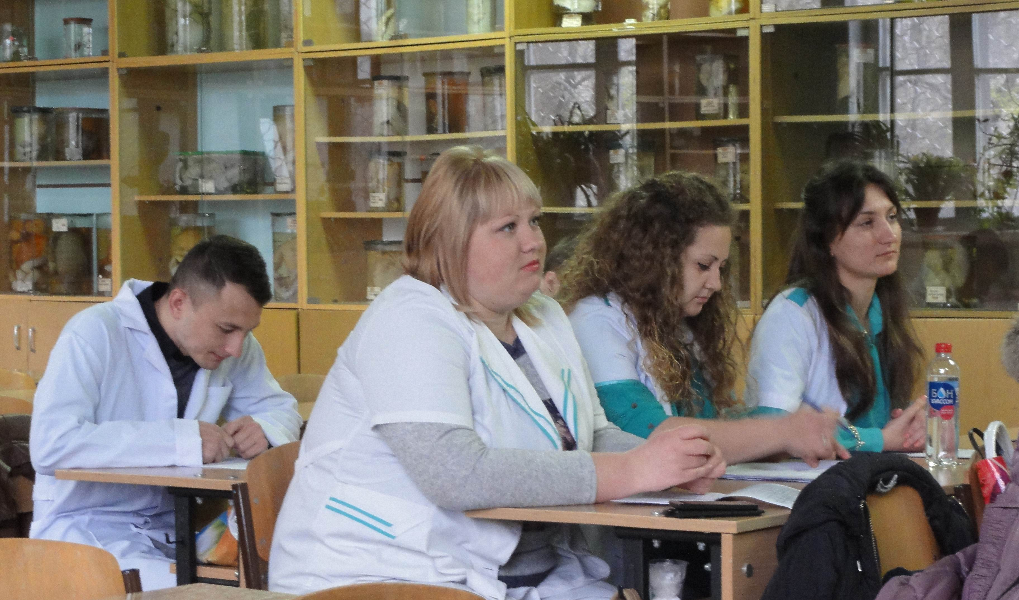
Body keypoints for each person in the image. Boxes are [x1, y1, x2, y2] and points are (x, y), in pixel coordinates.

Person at [268, 146, 726, 599]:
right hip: (382, 577)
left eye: (535, 221)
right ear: (450, 240)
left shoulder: (544, 314)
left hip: (518, 578)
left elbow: (591, 435)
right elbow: (457, 475)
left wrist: (667, 464)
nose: (533, 241)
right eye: (508, 227)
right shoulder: (409, 318)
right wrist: (632, 471)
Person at [29, 235, 302, 590]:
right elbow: (51, 444)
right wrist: (180, 440)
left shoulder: (233, 346)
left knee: (291, 581)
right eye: (226, 329)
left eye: (247, 332)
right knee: (206, 595)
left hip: (180, 529)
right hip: (89, 527)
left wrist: (264, 429)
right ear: (178, 303)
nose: (236, 347)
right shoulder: (94, 332)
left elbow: (281, 409)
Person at [561, 172, 848, 466]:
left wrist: (799, 432)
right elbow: (647, 433)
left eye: (721, 268)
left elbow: (713, 422)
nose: (716, 284)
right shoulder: (595, 320)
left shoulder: (677, 323)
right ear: (654, 258)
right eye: (703, 266)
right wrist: (781, 432)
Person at [745, 160, 927, 453]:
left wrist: (913, 425)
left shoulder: (880, 309)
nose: (889, 234)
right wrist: (881, 439)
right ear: (827, 239)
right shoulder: (791, 314)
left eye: (892, 217)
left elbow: (878, 423)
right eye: (867, 223)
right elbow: (773, 431)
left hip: (866, 473)